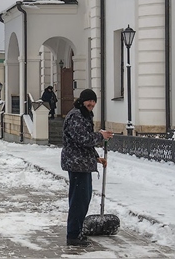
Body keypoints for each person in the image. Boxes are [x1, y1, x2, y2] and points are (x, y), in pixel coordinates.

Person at [61, 88, 113, 247]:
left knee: (83, 199)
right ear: (82, 101)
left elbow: (84, 143)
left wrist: (96, 157)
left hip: (81, 163)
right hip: (77, 164)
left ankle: (76, 232)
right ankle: (73, 235)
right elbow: (82, 138)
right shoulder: (76, 116)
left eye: (93, 101)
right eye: (89, 100)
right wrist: (100, 136)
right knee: (79, 201)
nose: (91, 103)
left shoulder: (84, 115)